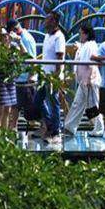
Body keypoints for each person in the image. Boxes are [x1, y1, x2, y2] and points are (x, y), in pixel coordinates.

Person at [62, 23, 105, 138]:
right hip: (84, 81)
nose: (79, 35)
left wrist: (88, 80)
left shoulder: (91, 46)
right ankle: (69, 127)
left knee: (93, 105)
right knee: (78, 103)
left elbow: (91, 63)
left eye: (81, 33)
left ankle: (99, 128)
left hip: (89, 81)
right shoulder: (85, 46)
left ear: (86, 34)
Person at [34, 12, 65, 147]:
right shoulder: (47, 36)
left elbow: (60, 58)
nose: (45, 22)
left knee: (54, 103)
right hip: (44, 75)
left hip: (52, 77)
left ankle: (55, 132)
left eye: (48, 20)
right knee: (37, 100)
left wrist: (56, 76)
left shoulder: (59, 37)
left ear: (54, 22)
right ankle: (49, 125)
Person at [6, 19, 36, 131]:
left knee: (29, 109)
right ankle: (13, 128)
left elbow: (31, 59)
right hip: (18, 77)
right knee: (15, 106)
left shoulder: (25, 39)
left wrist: (31, 77)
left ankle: (45, 128)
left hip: (24, 79)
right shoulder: (20, 38)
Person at [0, 29, 17, 131]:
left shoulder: (13, 47)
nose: (5, 37)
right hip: (0, 80)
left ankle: (4, 134)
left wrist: (18, 42)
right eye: (2, 35)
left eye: (6, 35)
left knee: (8, 109)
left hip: (10, 81)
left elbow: (24, 53)